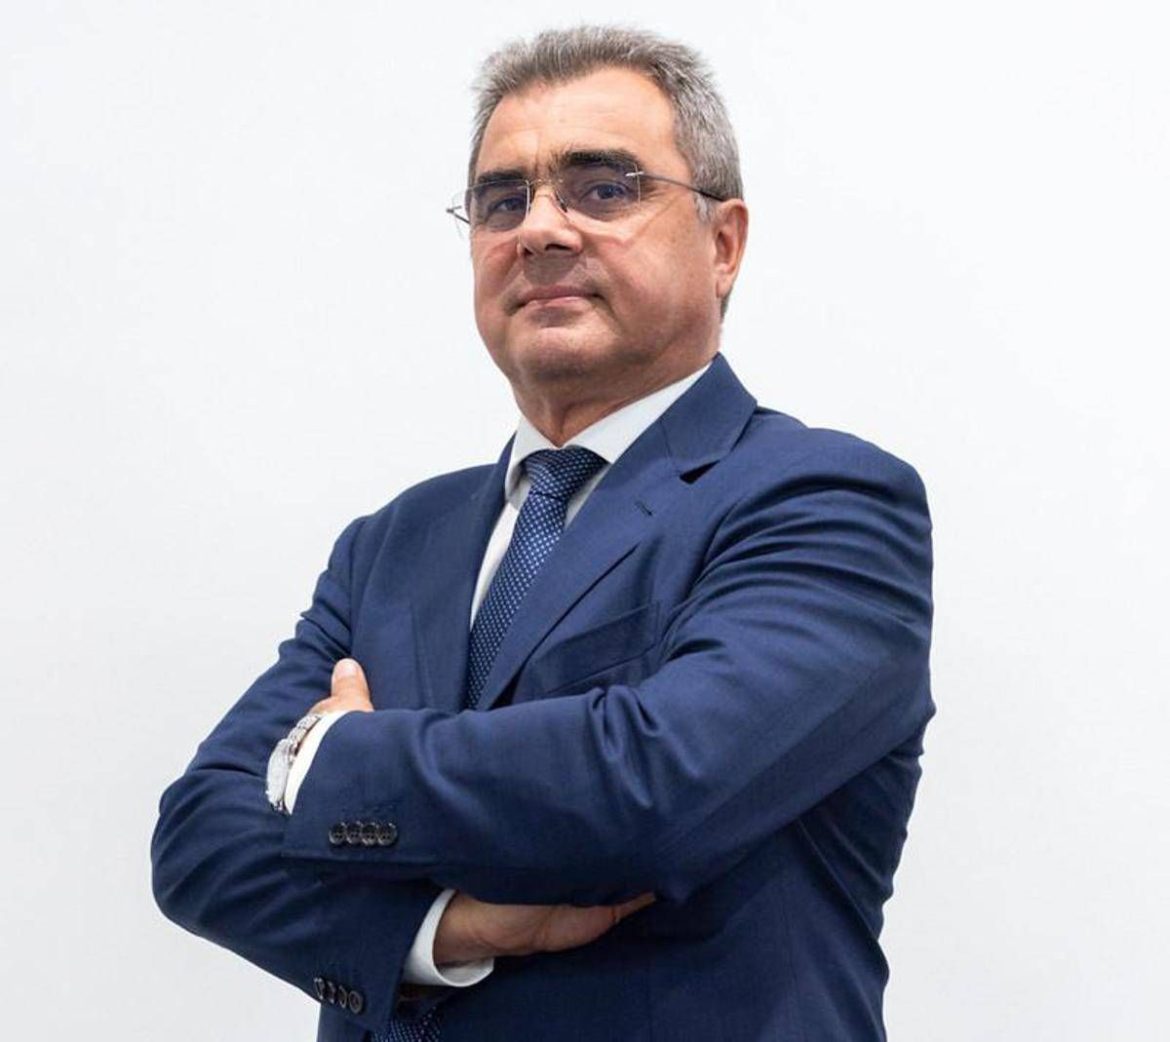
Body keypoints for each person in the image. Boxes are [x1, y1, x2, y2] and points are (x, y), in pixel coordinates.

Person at [151, 24, 935, 1042]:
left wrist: (329, 758)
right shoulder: (394, 544)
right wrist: (445, 931)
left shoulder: (822, 502)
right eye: (502, 200)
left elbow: (649, 790)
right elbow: (203, 840)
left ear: (724, 244)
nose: (541, 230)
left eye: (603, 189)